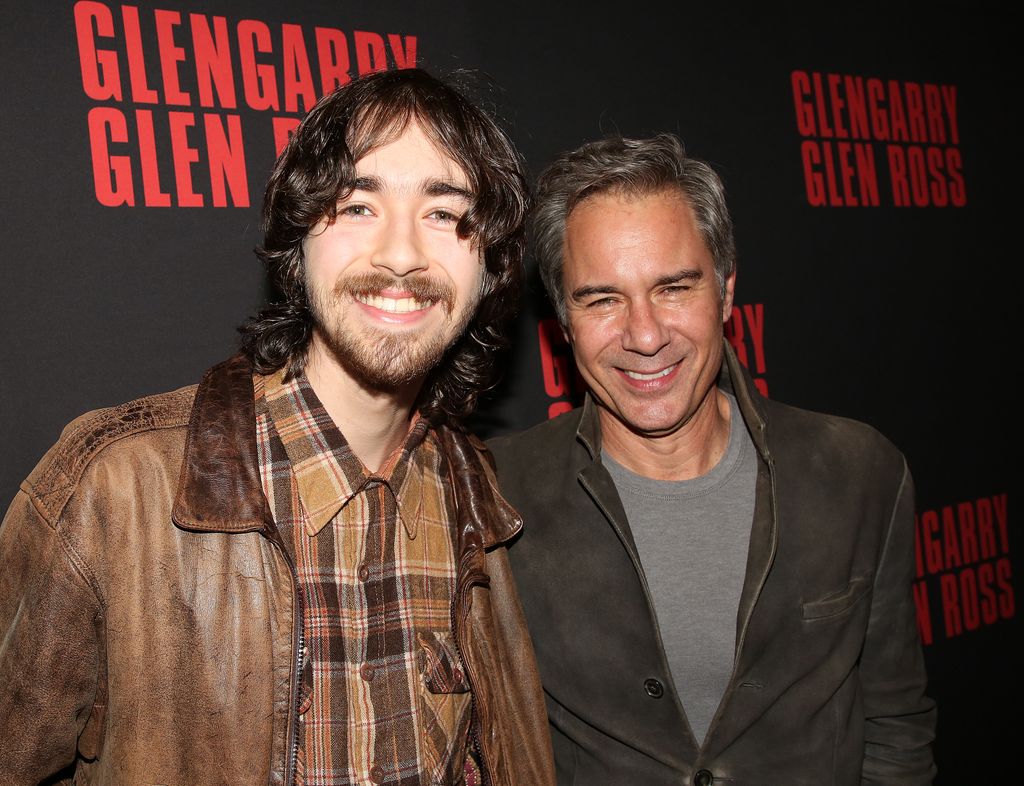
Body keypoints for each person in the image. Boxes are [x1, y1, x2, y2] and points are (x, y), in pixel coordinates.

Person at [0, 68, 555, 786]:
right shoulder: (114, 487)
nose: (400, 254)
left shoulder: (477, 497)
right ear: (299, 241)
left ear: (488, 267)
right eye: (358, 206)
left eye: (445, 214)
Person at [488, 134, 936, 785]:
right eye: (602, 298)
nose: (644, 335)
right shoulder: (496, 496)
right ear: (563, 322)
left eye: (674, 287)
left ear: (726, 293)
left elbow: (894, 727)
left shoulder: (859, 473)